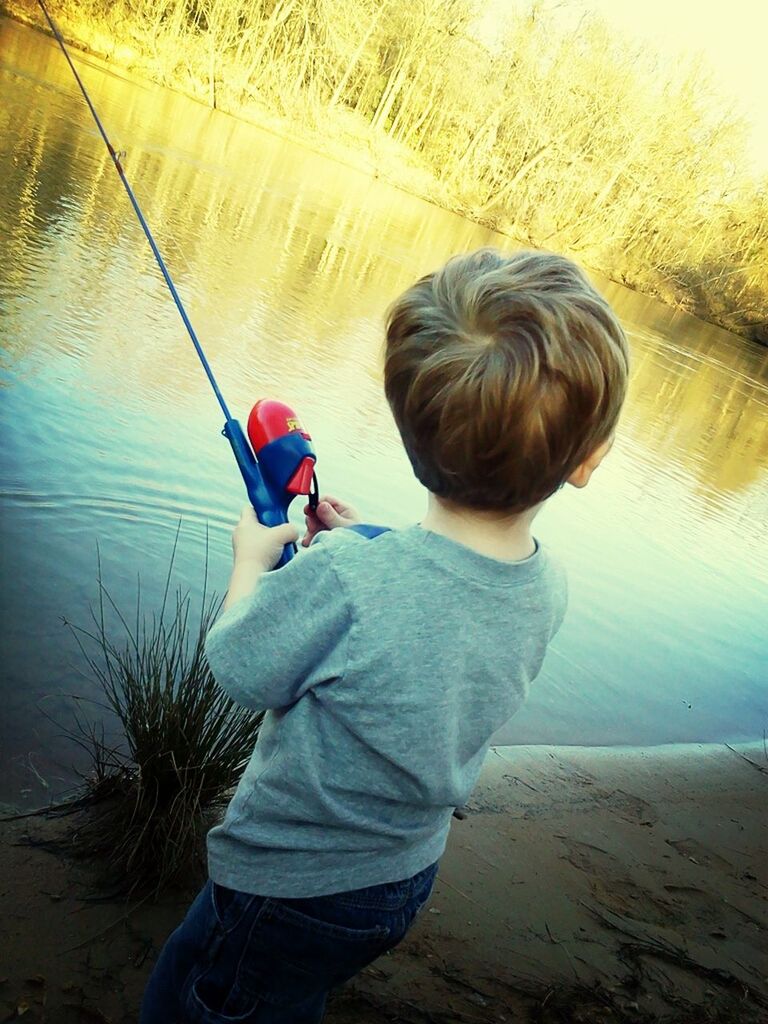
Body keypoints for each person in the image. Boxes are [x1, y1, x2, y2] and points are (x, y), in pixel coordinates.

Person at [140, 247, 630, 1023]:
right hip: (399, 878)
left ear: (409, 425)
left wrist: (252, 560)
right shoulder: (546, 583)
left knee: (213, 994)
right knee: (284, 987)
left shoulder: (348, 581)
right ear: (587, 461)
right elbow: (442, 602)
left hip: (289, 880)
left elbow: (236, 665)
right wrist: (366, 539)